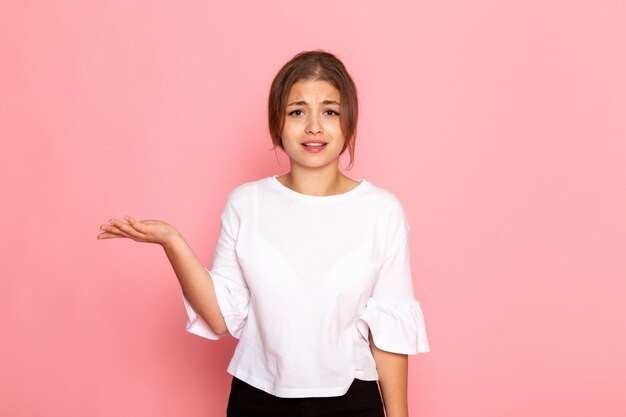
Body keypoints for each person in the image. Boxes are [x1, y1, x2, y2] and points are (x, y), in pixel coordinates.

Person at [97, 50, 430, 417]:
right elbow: (222, 316)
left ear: (348, 124)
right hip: (256, 399)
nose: (314, 127)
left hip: (351, 400)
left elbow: (390, 334)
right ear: (277, 125)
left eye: (330, 111)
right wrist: (172, 241)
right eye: (297, 112)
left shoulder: (382, 210)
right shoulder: (246, 203)